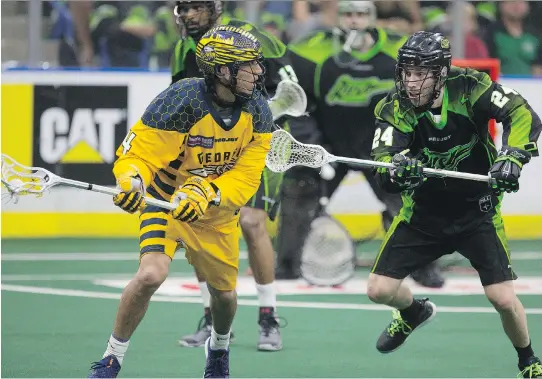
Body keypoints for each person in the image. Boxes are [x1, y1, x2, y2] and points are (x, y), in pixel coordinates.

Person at [88, 25, 272, 378]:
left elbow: (247, 178)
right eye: (248, 65)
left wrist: (208, 192)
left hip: (216, 216)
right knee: (150, 276)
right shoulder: (183, 101)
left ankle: (218, 349)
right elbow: (138, 155)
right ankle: (112, 359)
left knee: (225, 297)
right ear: (222, 71)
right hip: (165, 201)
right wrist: (131, 181)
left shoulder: (258, 112)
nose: (259, 72)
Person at [368, 31, 542, 378]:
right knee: (378, 290)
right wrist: (399, 171)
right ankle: (414, 312)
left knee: (503, 299)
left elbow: (522, 113)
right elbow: (384, 163)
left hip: (476, 212)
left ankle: (528, 360)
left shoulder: (471, 86)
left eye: (421, 73)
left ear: (442, 73)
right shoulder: (394, 107)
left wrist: (513, 156)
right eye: (407, 72)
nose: (411, 82)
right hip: (422, 215)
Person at [276, 0, 445, 288]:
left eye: (362, 14)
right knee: (298, 193)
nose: (355, 20)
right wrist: (311, 148)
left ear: (374, 18)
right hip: (327, 143)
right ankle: (287, 263)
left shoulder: (400, 52)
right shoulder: (310, 50)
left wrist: (402, 145)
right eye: (349, 14)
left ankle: (421, 265)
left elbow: (418, 102)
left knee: (409, 198)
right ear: (338, 17)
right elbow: (297, 104)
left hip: (381, 144)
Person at [171, 0, 295, 351]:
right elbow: (181, 101)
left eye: (196, 7)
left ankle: (268, 317)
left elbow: (290, 90)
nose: (189, 15)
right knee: (198, 221)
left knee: (252, 222)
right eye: (183, 8)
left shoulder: (251, 36)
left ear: (215, 8)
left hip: (261, 140)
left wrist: (271, 112)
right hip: (213, 142)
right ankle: (212, 318)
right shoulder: (183, 48)